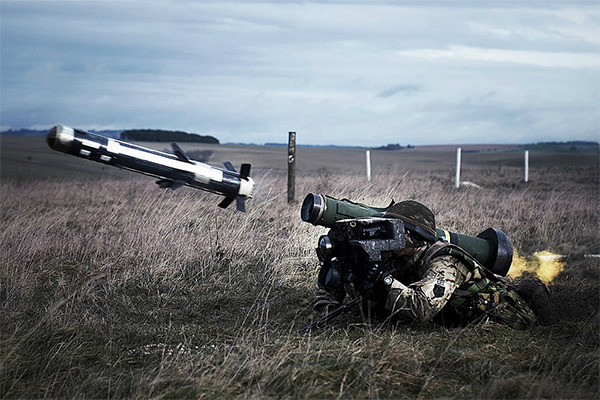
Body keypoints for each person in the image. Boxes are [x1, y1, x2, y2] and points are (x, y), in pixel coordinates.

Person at [313, 200, 553, 329]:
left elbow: (420, 308)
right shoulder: (401, 257)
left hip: (506, 320)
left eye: (395, 232)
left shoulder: (445, 260)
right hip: (450, 317)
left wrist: (383, 281)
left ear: (416, 237)